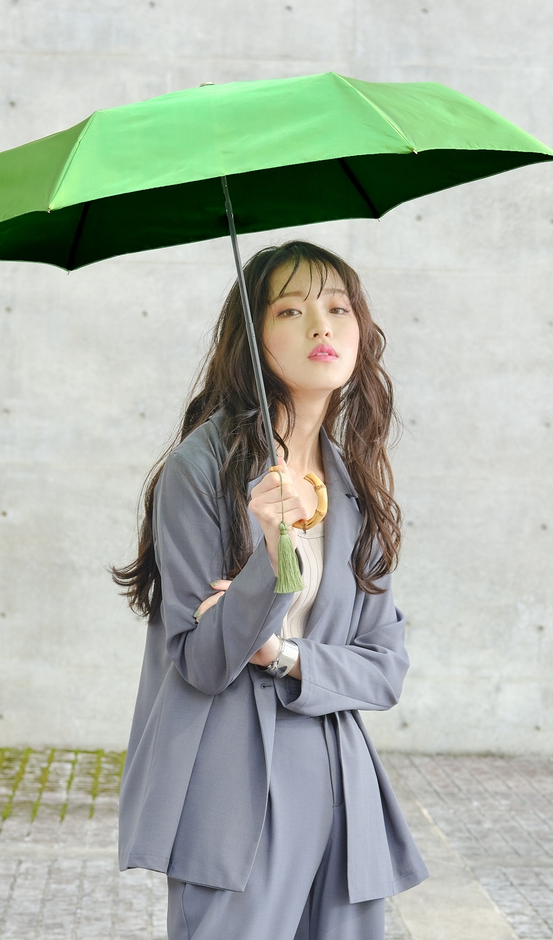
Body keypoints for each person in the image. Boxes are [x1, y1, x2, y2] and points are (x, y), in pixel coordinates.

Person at [111, 240, 427, 940]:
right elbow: (200, 661)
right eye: (290, 310)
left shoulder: (354, 482)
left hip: (340, 781)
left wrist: (280, 653)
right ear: (250, 338)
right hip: (233, 788)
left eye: (338, 308)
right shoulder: (201, 470)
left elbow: (384, 670)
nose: (321, 326)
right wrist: (269, 555)